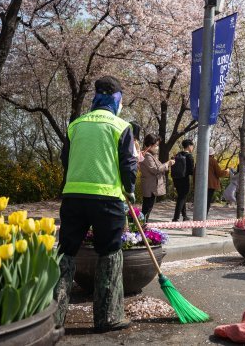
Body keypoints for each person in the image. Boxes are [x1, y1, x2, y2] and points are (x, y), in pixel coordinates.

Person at [54, 76, 137, 332]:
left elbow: (65, 159)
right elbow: (128, 164)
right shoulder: (121, 126)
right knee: (109, 254)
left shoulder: (75, 125)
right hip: (107, 200)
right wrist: (130, 190)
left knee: (65, 253)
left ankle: (52, 317)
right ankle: (108, 317)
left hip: (73, 197)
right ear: (117, 99)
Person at [139, 133, 174, 222]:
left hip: (151, 187)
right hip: (150, 187)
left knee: (148, 208)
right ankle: (141, 227)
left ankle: (142, 226)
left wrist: (166, 164)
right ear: (151, 145)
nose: (157, 147)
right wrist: (167, 164)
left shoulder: (150, 155)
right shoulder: (147, 155)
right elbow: (155, 169)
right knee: (146, 209)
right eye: (156, 145)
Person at [171, 139, 195, 221]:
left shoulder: (178, 154)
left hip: (176, 179)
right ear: (189, 146)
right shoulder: (189, 156)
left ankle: (184, 216)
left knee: (181, 197)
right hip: (184, 179)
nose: (192, 148)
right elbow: (191, 171)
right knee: (182, 197)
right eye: (192, 146)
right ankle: (176, 217)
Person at [207, 147, 229, 215]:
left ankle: (200, 216)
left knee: (202, 201)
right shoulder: (213, 161)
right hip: (210, 184)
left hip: (200, 185)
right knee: (207, 201)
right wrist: (226, 171)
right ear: (212, 154)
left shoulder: (200, 159)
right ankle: (203, 217)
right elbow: (219, 173)